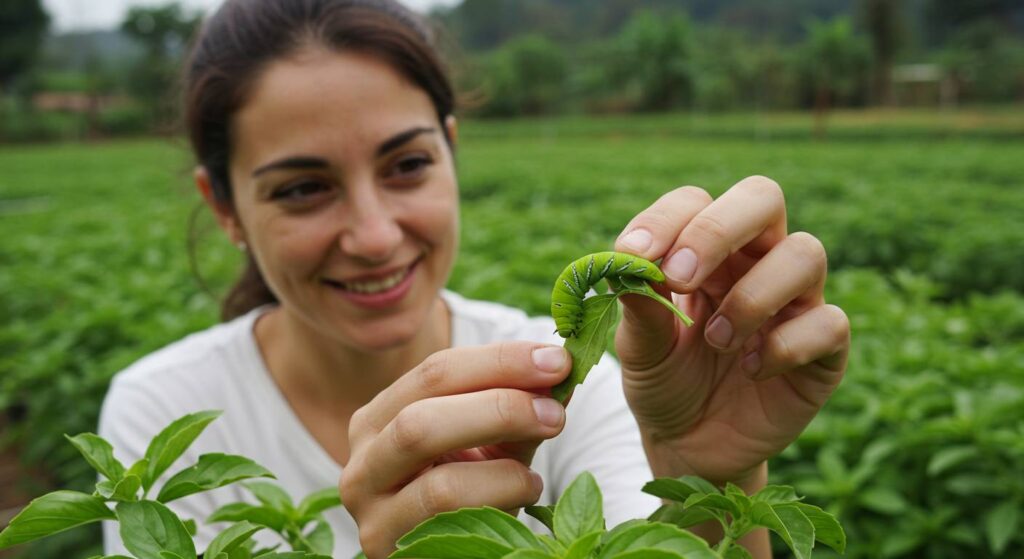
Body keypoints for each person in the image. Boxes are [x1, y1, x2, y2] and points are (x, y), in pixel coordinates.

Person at [98, 0, 850, 557]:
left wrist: (706, 475)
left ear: (452, 153)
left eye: (408, 164)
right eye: (302, 188)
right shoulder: (162, 410)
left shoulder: (581, 388)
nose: (374, 234)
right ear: (224, 208)